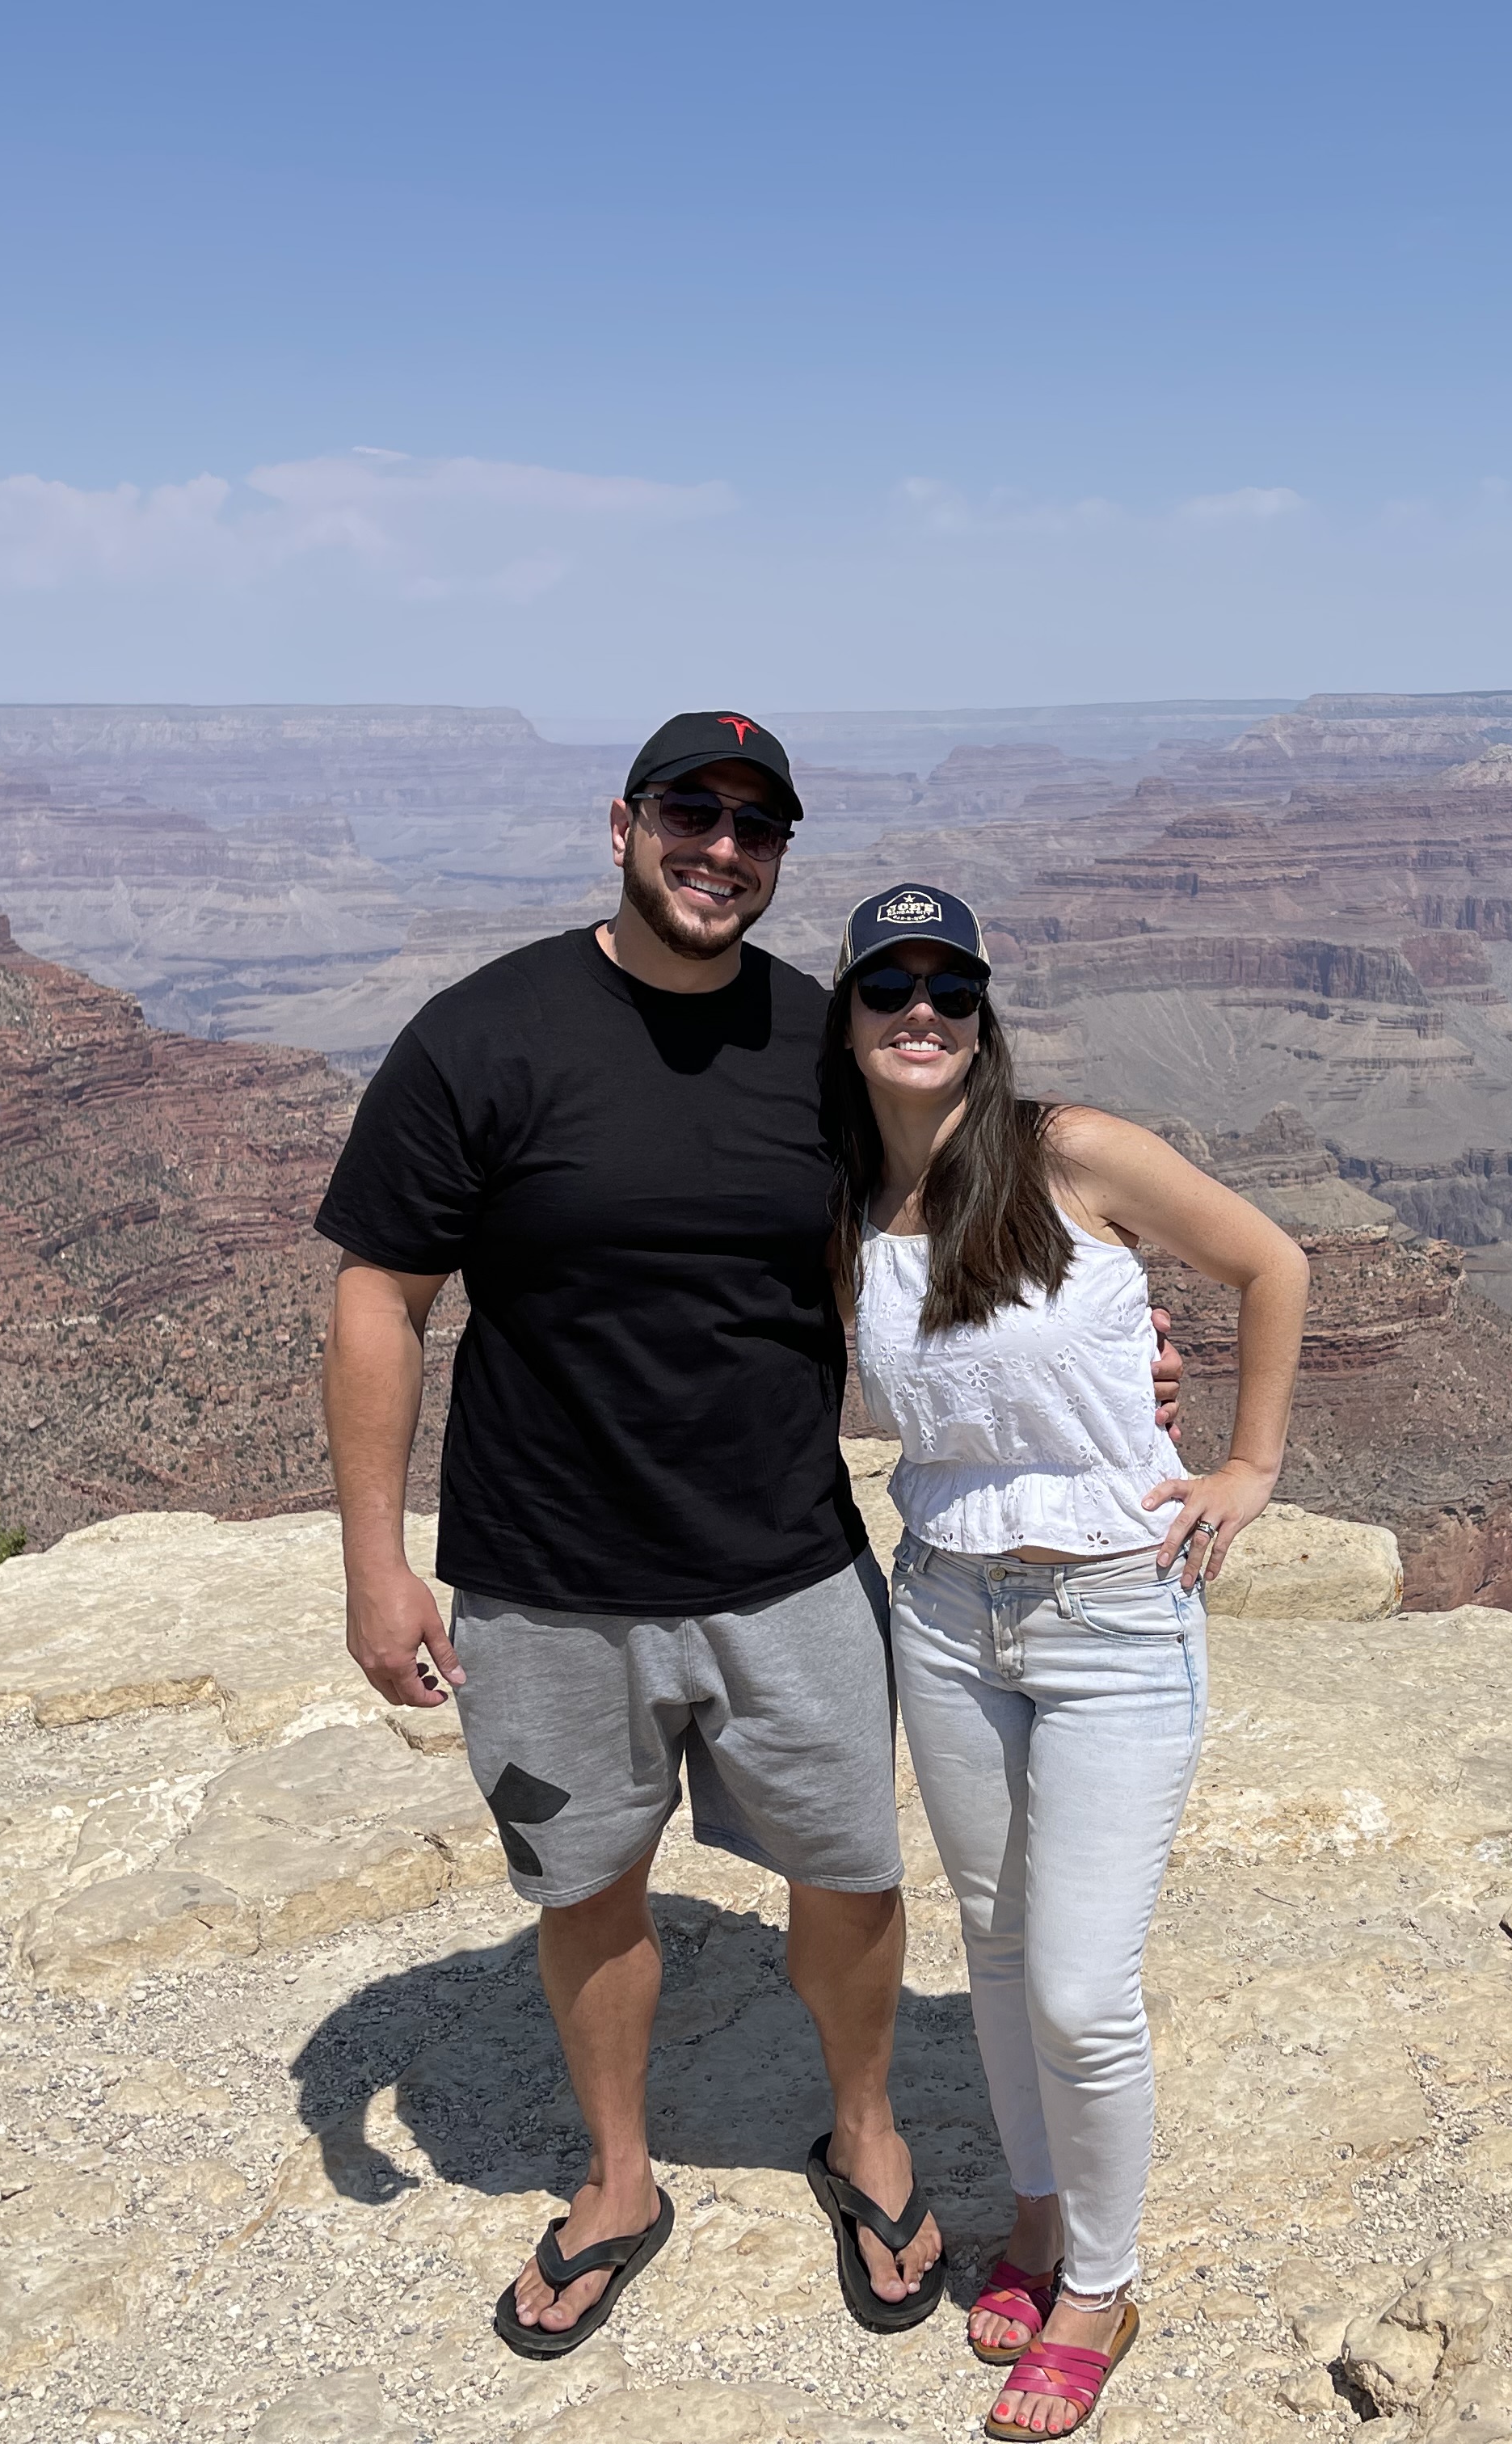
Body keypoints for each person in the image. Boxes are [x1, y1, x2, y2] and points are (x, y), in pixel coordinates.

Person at [313, 718, 1179, 2360]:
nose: (722, 848)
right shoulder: (480, 1036)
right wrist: (374, 1558)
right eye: (691, 815)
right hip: (547, 1579)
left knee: (848, 1877)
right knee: (589, 1888)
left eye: (757, 825)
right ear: (624, 824)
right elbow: (381, 1291)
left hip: (788, 1563)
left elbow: (961, 1213)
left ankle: (866, 2134)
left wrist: (1110, 1345)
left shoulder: (825, 1040)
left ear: (782, 854)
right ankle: (621, 2178)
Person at [825, 882, 1308, 2441]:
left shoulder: (1069, 1153)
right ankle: (1034, 2222)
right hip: (947, 1610)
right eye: (888, 985)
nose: (921, 1011)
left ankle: (1102, 2279)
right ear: (847, 1014)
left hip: (1111, 1613)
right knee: (997, 1939)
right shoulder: (847, 1200)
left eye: (948, 989)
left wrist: (1246, 1468)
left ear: (982, 1011)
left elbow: (1271, 1264)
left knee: (1087, 1990)